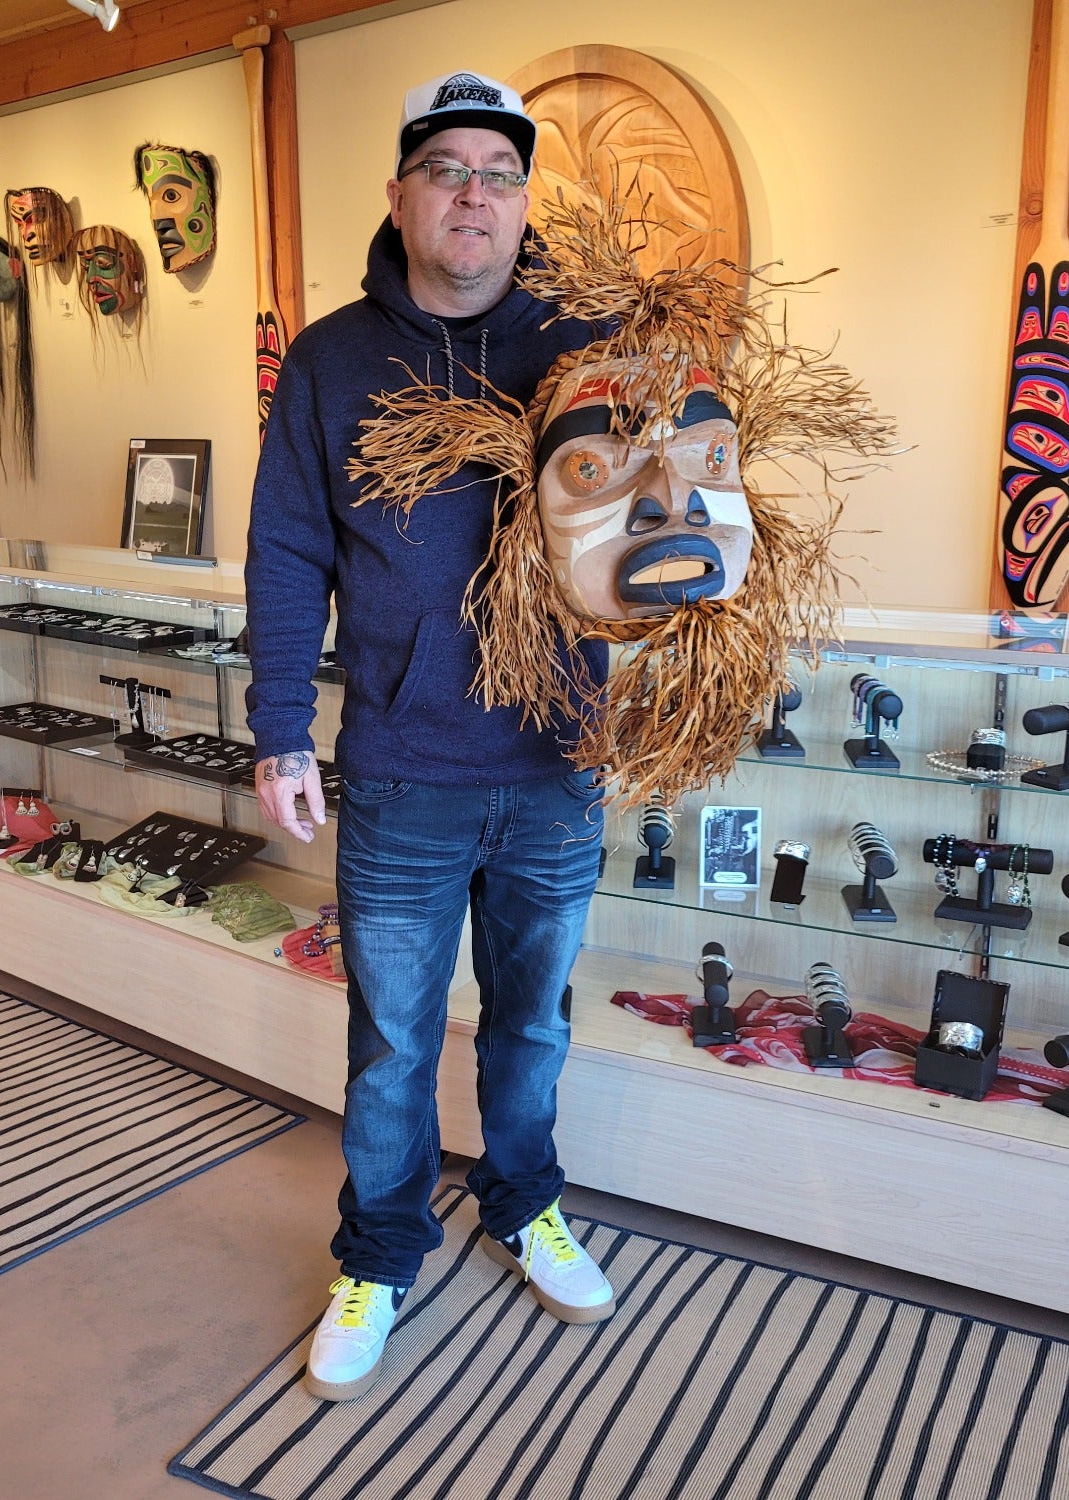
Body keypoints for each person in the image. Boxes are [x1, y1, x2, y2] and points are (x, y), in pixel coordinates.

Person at [245, 69, 614, 1403]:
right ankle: (383, 1251)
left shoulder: (583, 351)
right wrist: (280, 726)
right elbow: (288, 552)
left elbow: (656, 526)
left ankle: (524, 1205)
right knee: (395, 1041)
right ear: (400, 197)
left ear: (524, 207)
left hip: (556, 765)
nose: (474, 193)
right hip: (402, 770)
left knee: (533, 1024)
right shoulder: (333, 361)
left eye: (499, 174)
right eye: (447, 169)